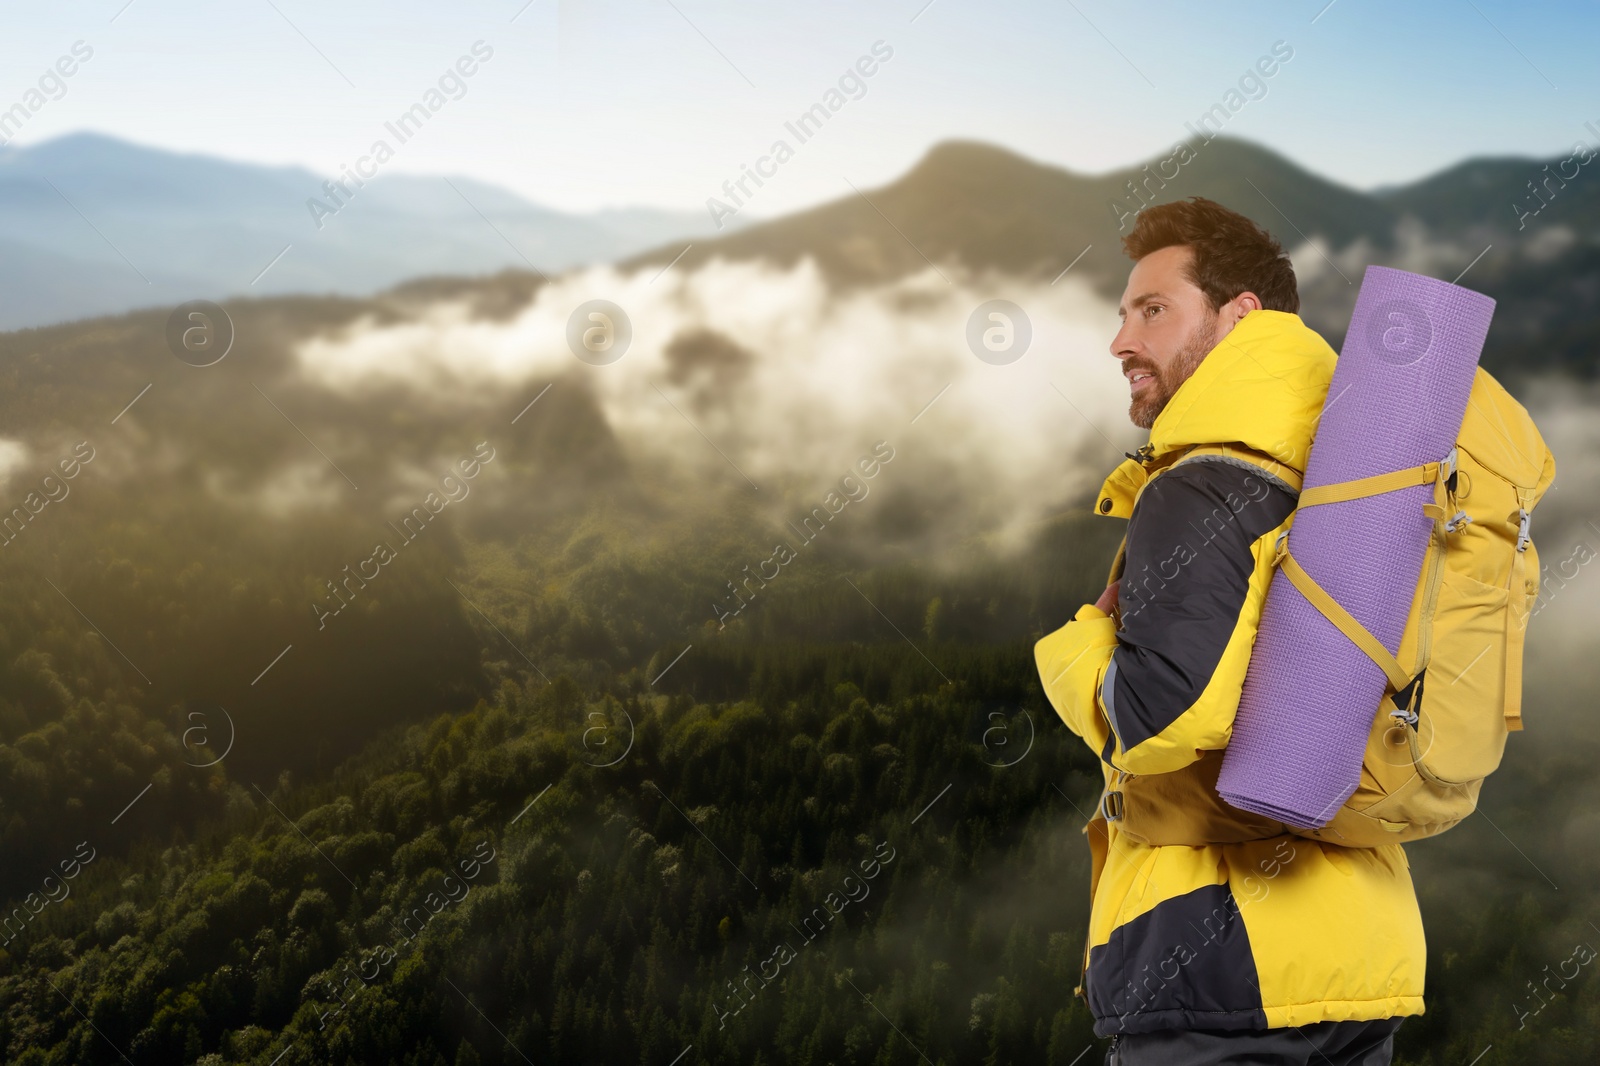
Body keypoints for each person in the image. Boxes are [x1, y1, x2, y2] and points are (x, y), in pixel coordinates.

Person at [1034, 197, 1422, 1065]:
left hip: (1214, 967)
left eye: (1153, 309)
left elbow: (1163, 721)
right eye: (1123, 313)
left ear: (1239, 315)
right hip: (1362, 957)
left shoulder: (1201, 483)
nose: (1121, 341)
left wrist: (1073, 649)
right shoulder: (1348, 477)